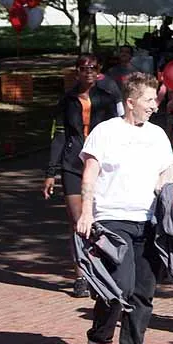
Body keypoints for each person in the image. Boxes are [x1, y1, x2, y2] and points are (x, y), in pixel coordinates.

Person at [75, 73, 173, 344]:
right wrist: (86, 213)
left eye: (155, 100)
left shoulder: (157, 135)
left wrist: (172, 188)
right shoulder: (106, 132)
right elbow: (89, 174)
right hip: (111, 218)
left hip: (147, 220)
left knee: (143, 291)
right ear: (130, 102)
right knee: (119, 285)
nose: (154, 106)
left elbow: (165, 173)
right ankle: (100, 340)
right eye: (149, 100)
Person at [44, 54, 122, 298]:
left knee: (99, 219)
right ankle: (81, 277)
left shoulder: (107, 99)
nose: (88, 72)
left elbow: (116, 134)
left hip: (99, 165)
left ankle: (101, 270)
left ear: (99, 71)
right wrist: (51, 172)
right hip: (72, 164)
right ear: (76, 71)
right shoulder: (67, 100)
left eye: (93, 68)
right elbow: (59, 135)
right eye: (83, 68)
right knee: (78, 221)